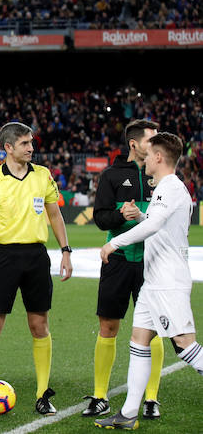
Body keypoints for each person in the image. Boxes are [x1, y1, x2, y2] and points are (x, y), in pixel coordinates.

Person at [95, 132, 201, 429]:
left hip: (168, 282)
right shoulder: (165, 189)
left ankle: (128, 413)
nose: (145, 158)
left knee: (185, 346)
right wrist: (139, 215)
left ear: (158, 157)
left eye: (149, 152)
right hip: (153, 282)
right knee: (139, 341)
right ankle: (128, 414)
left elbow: (156, 226)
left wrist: (114, 243)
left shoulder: (170, 187)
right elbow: (156, 224)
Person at [0, 121, 72, 415]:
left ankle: (42, 394)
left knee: (39, 325)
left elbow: (55, 215)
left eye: (31, 142)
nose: (31, 148)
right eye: (25, 144)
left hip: (37, 256)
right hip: (4, 256)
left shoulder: (43, 176)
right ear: (9, 148)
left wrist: (65, 251)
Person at [85, 119, 163, 418]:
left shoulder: (163, 176)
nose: (155, 145)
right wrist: (121, 214)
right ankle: (100, 396)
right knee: (108, 326)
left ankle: (151, 399)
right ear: (134, 144)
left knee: (152, 329)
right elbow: (101, 218)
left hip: (151, 262)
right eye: (150, 140)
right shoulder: (112, 175)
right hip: (117, 260)